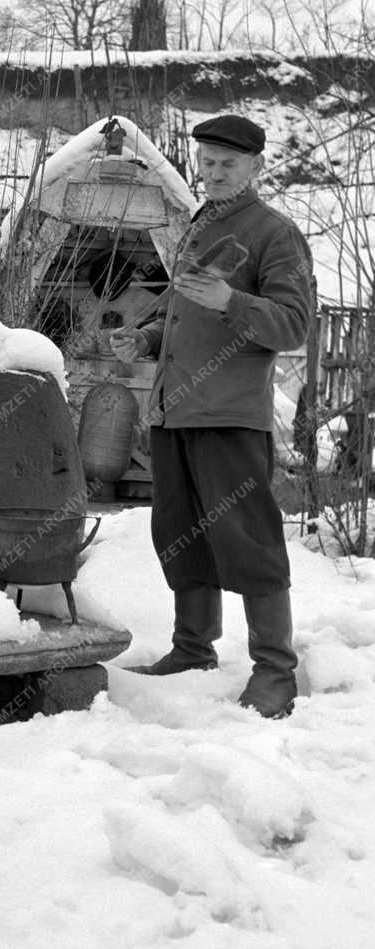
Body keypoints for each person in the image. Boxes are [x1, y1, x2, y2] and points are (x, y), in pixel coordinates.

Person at [111, 114, 315, 719]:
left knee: (247, 539)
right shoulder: (201, 223)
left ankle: (276, 671)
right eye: (207, 161)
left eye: (228, 163)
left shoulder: (276, 234)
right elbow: (181, 305)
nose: (214, 172)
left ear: (255, 166)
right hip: (174, 412)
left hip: (230, 416)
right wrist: (145, 339)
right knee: (179, 532)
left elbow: (294, 325)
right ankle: (192, 648)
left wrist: (232, 301)